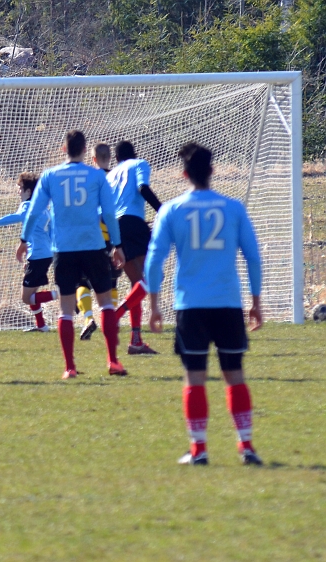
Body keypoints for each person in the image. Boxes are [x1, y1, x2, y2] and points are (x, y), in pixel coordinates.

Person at [145, 142, 263, 466]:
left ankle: (199, 450)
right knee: (235, 374)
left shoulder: (171, 210)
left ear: (183, 174)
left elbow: (155, 260)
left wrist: (154, 303)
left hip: (190, 306)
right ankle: (247, 446)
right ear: (213, 171)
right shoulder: (234, 208)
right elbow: (253, 256)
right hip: (227, 303)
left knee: (194, 377)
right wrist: (256, 300)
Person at [18, 130, 126, 379]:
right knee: (106, 304)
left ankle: (70, 368)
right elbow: (109, 215)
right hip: (93, 246)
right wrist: (117, 245)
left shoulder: (50, 175)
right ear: (85, 150)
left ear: (63, 148)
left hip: (63, 249)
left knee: (66, 310)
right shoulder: (97, 176)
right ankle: (113, 361)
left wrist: (23, 240)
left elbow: (34, 211)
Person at [0, 172, 58, 332]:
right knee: (33, 294)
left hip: (38, 256)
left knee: (26, 297)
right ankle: (41, 325)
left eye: (20, 188)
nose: (18, 191)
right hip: (43, 255)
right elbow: (50, 231)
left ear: (28, 192)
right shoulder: (44, 207)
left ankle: (64, 294)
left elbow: (18, 216)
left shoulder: (28, 206)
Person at [107, 141, 161, 354]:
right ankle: (116, 315)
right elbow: (142, 188)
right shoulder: (139, 164)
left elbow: (106, 208)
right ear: (134, 153)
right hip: (133, 223)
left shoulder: (110, 175)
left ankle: (136, 341)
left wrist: (114, 241)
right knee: (154, 276)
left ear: (116, 158)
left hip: (116, 228)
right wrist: (162, 209)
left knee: (136, 283)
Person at [77, 143, 123, 340]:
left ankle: (88, 318)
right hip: (113, 237)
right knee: (111, 282)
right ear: (110, 157)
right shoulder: (118, 178)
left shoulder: (89, 178)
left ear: (93, 159)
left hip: (90, 237)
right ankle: (113, 320)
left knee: (82, 281)